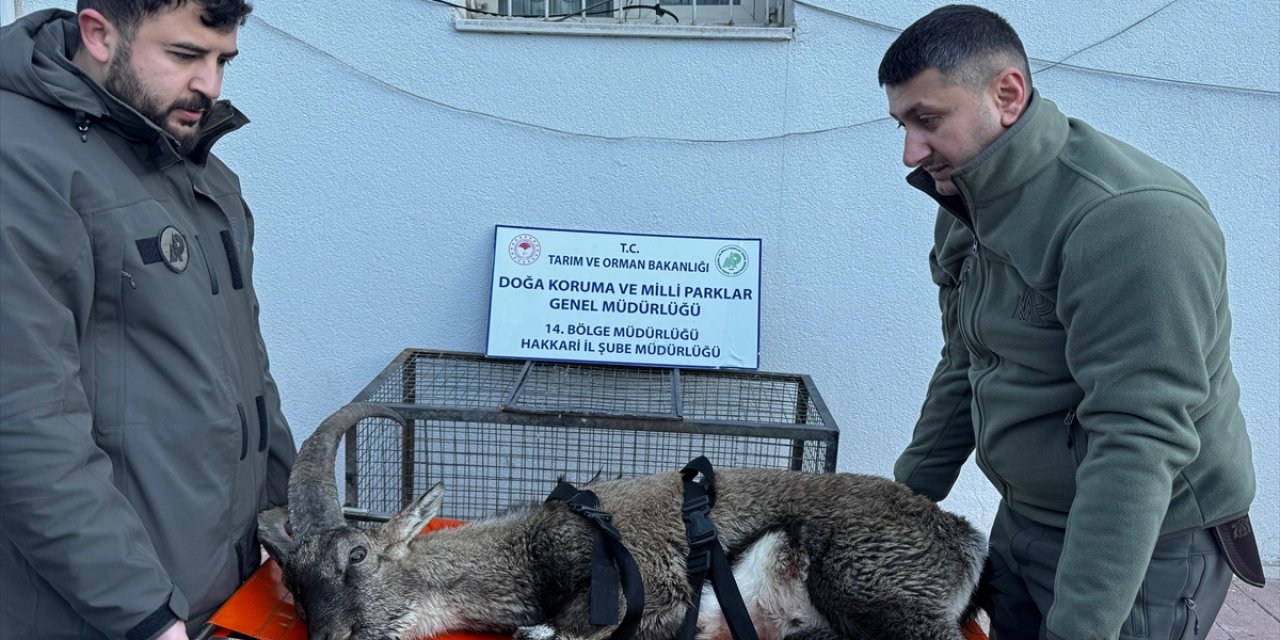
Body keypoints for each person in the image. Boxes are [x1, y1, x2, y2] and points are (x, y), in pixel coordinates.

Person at [879, 5, 1262, 639]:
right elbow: (966, 361)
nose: (910, 152)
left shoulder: (1131, 219)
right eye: (900, 124)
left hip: (1143, 538)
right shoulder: (962, 202)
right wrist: (900, 501)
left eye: (928, 120)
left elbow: (1138, 437)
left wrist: (1082, 627)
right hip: (1026, 512)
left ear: (1007, 94)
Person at [0, 1, 296, 638]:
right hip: (103, 615)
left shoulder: (199, 171)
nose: (210, 85)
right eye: (185, 56)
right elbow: (23, 423)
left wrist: (292, 521)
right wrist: (143, 614)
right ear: (99, 34)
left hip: (219, 594)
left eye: (223, 61)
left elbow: (247, 374)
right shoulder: (20, 164)